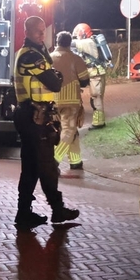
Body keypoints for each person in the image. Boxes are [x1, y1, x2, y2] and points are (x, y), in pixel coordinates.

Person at [13, 15, 80, 228]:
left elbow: (53, 78)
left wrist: (54, 75)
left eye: (43, 30)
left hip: (33, 115)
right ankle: (57, 209)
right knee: (46, 165)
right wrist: (55, 75)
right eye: (37, 31)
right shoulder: (31, 56)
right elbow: (55, 82)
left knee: (31, 168)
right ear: (27, 32)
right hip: (34, 117)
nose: (42, 34)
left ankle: (24, 213)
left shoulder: (36, 54)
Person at [50, 31, 90, 174]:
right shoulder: (75, 59)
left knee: (69, 131)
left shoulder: (49, 58)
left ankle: (75, 161)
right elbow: (84, 81)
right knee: (68, 130)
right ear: (69, 43)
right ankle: (54, 160)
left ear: (57, 42)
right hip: (70, 101)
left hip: (52, 101)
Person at [72, 23, 108, 129]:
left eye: (78, 34)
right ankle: (100, 121)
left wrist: (62, 39)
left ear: (83, 33)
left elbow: (71, 44)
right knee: (97, 98)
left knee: (96, 98)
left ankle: (98, 123)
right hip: (96, 73)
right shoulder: (90, 41)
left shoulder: (87, 42)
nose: (78, 36)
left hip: (95, 74)